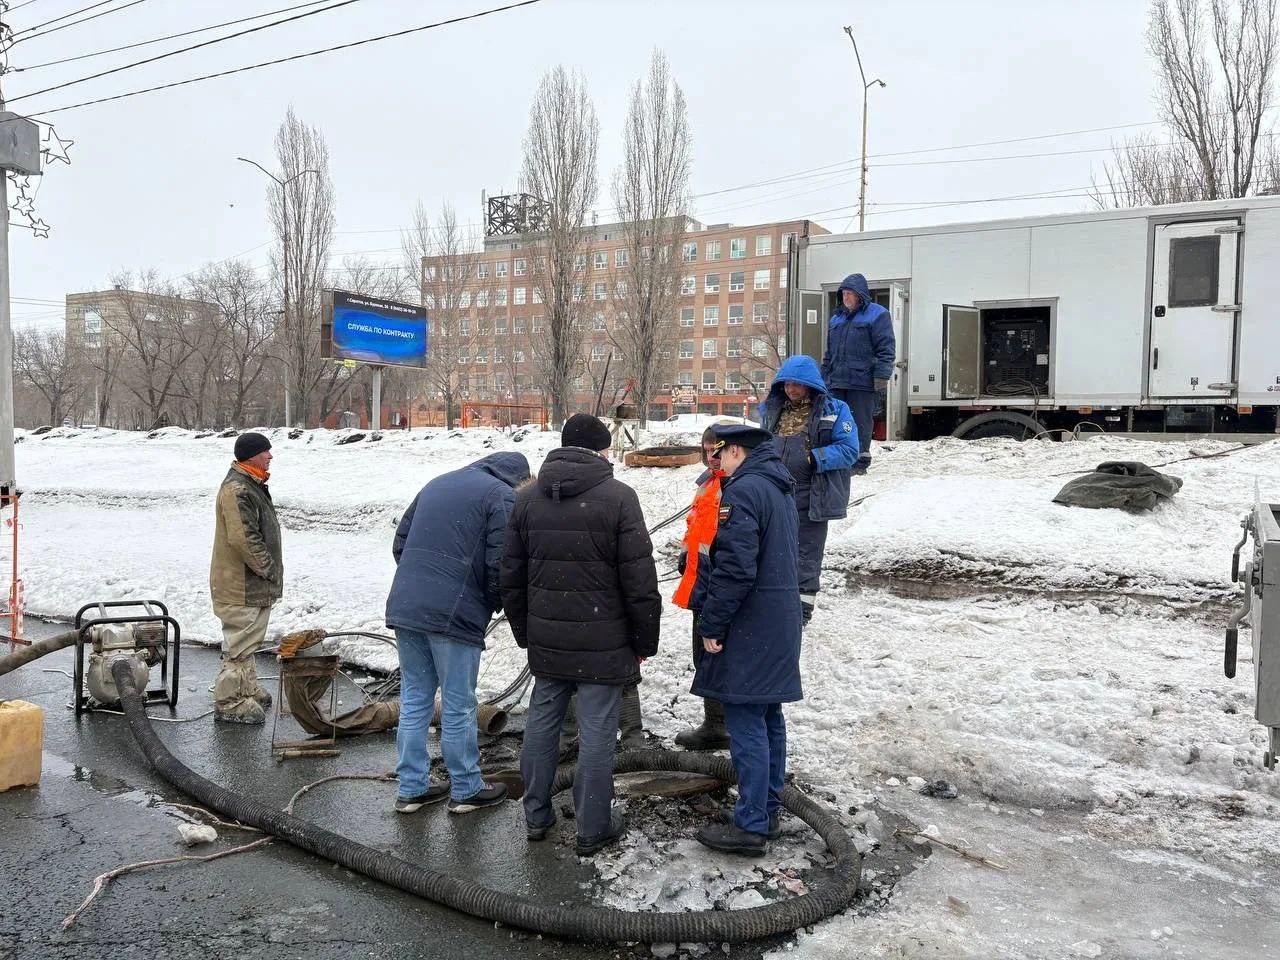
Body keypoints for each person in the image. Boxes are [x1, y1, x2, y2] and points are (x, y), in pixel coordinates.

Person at [502, 413, 661, 857]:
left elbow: (510, 576)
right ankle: (593, 827)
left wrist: (525, 633)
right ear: (600, 450)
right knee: (596, 734)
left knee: (541, 724)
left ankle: (536, 815)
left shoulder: (528, 498)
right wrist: (643, 642)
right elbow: (640, 581)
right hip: (604, 644)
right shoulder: (619, 498)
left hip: (548, 641)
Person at [386, 451, 531, 815]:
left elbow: (399, 545)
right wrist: (494, 602)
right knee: (458, 702)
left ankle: (412, 788)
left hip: (406, 604)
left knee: (416, 698)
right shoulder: (501, 495)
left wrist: (422, 584)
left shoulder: (437, 483)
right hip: (454, 611)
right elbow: (502, 561)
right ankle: (466, 788)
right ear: (517, 478)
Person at [689, 424, 802, 857]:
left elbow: (736, 568)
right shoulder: (779, 487)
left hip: (750, 622)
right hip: (777, 619)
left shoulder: (742, 491)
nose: (716, 461)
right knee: (768, 716)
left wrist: (713, 625)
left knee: (746, 723)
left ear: (738, 450)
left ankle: (751, 824)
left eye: (721, 453)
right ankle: (766, 809)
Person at [759, 355, 859, 625]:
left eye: (798, 384)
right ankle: (775, 600)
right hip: (775, 493)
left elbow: (850, 450)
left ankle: (802, 609)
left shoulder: (836, 410)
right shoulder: (772, 410)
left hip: (812, 493)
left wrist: (813, 458)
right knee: (772, 549)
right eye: (787, 384)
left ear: (811, 384)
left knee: (806, 553)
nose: (791, 389)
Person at [209, 432, 282, 725]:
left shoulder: (250, 484)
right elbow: (244, 539)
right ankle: (230, 702)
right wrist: (268, 568)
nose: (270, 456)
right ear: (252, 455)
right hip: (240, 584)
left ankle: (246, 689)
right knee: (239, 643)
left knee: (248, 640)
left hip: (251, 583)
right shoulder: (237, 489)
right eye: (266, 451)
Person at [671, 424, 730, 750]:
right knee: (704, 656)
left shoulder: (736, 486)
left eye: (718, 450)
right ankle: (716, 722)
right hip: (701, 584)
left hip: (719, 585)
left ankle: (720, 724)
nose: (712, 457)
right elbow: (696, 527)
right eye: (707, 450)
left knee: (718, 656)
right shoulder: (706, 485)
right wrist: (684, 553)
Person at [820, 273, 895, 474]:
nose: (846, 297)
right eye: (844, 293)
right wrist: (823, 377)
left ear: (860, 295)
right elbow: (829, 353)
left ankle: (860, 462)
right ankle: (839, 459)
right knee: (834, 421)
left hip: (863, 382)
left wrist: (881, 378)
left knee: (860, 422)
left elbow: (886, 349)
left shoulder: (877, 314)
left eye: (850, 293)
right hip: (837, 381)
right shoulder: (836, 319)